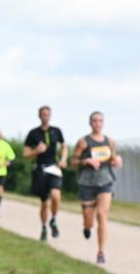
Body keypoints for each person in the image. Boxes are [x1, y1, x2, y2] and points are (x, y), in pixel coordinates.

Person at [72, 111, 122, 264]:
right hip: (87, 183)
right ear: (90, 123)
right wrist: (86, 161)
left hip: (105, 181)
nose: (97, 123)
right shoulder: (83, 142)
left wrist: (117, 161)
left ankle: (101, 252)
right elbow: (73, 162)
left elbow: (113, 158)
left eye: (100, 120)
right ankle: (87, 227)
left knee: (102, 214)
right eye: (95, 120)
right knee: (89, 221)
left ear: (103, 123)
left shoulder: (110, 142)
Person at [24, 106, 68, 242]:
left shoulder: (56, 131)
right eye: (43, 114)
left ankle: (53, 220)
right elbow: (25, 154)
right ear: (39, 116)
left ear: (50, 115)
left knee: (56, 195)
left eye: (48, 114)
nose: (46, 117)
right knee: (44, 204)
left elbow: (64, 146)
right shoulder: (33, 133)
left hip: (54, 167)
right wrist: (36, 151)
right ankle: (43, 228)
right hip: (40, 169)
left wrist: (63, 159)